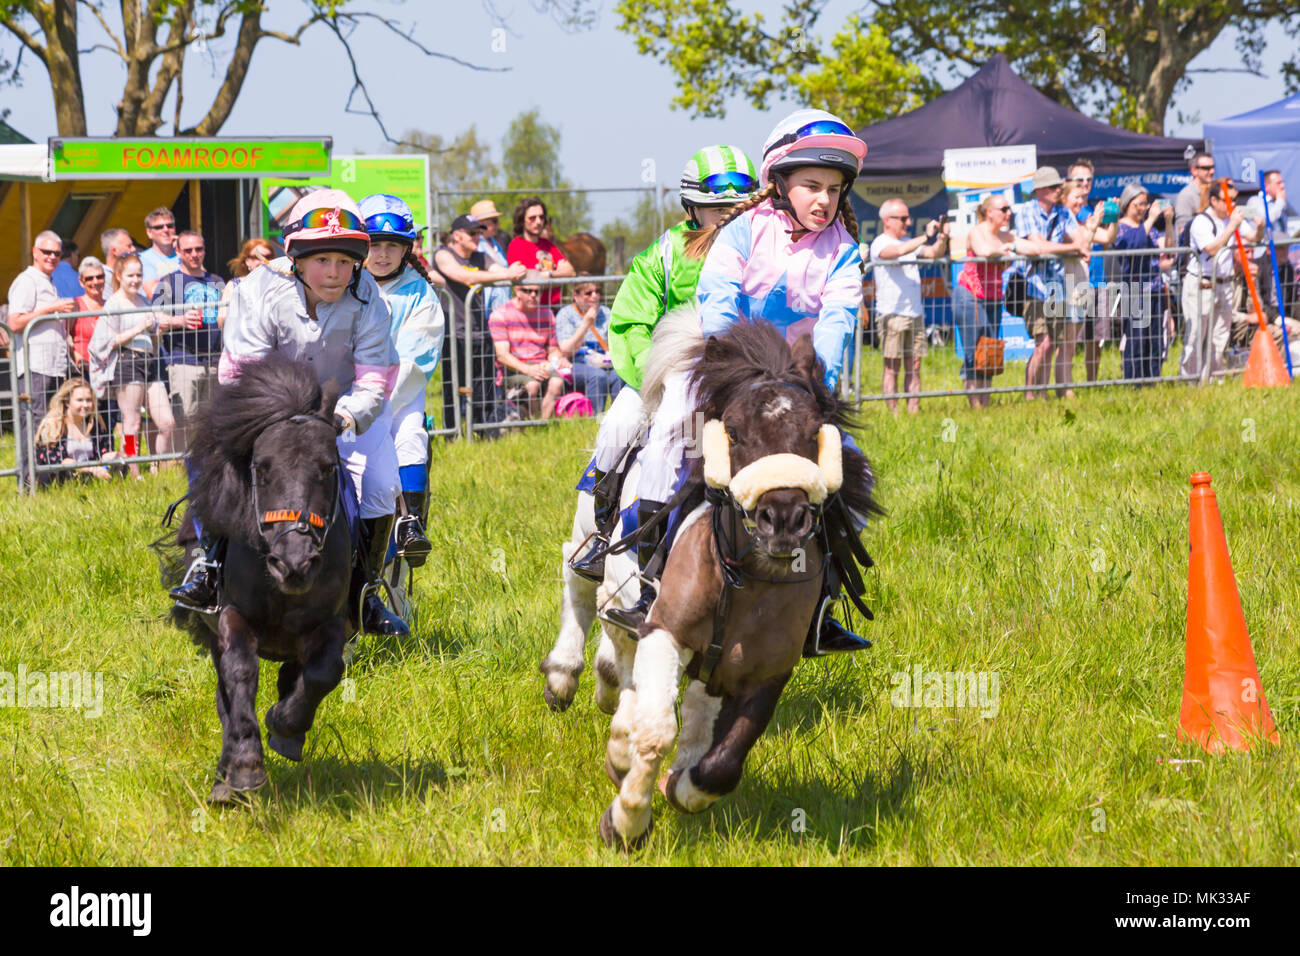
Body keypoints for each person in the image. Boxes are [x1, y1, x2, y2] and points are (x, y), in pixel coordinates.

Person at [606, 111, 872, 658]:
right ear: (779, 181)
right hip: (726, 365)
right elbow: (719, 301)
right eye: (811, 186)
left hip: (797, 381)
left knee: (849, 466)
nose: (823, 199)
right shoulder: (743, 230)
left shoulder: (845, 249)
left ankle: (822, 605)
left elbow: (838, 321)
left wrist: (811, 386)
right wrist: (742, 374)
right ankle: (647, 580)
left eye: (833, 189)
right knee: (670, 439)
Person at [169, 189, 409, 638]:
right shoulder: (255, 290)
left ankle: (366, 591)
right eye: (323, 261)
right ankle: (206, 566)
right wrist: (284, 423)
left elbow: (375, 378)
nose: (335, 273)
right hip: (264, 414)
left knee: (378, 486)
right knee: (204, 464)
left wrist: (342, 419)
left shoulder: (370, 297)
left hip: (346, 416)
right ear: (295, 257)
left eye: (345, 261)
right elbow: (244, 370)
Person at [568, 144, 759, 584]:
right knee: (618, 427)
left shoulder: (761, 252)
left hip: (739, 378)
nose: (728, 216)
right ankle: (602, 533)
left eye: (737, 207)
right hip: (664, 377)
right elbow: (632, 321)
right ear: (692, 208)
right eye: (717, 209)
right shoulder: (664, 254)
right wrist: (654, 378)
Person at [359, 192, 444, 565]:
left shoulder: (421, 294)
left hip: (397, 397)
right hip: (344, 394)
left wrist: (370, 407)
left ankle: (409, 523)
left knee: (411, 435)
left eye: (393, 246)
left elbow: (413, 362)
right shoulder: (343, 280)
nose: (382, 254)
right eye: (375, 245)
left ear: (406, 249)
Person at [432, 213, 525, 430]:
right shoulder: (443, 255)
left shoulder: (481, 257)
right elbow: (465, 277)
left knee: (484, 388)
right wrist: (508, 275)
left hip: (480, 332)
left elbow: (502, 272)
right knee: (453, 388)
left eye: (479, 232)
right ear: (457, 236)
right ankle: (452, 433)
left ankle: (483, 431)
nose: (477, 237)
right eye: (472, 233)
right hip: (454, 335)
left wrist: (515, 272)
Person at [89, 253, 177, 477]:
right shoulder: (114, 303)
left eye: (139, 275)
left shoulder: (144, 300)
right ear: (119, 276)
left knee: (167, 422)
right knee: (132, 423)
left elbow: (150, 330)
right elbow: (106, 341)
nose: (135, 280)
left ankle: (161, 468)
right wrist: (139, 327)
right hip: (127, 362)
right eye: (130, 275)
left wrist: (158, 328)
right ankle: (135, 473)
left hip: (150, 361)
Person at [1011, 167, 1090, 399]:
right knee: (1042, 343)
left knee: (1052, 343)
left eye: (1059, 186)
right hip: (1033, 286)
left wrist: (1076, 243)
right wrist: (1072, 247)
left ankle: (1042, 395)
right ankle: (1029, 394)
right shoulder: (1026, 211)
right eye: (1055, 187)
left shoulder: (1063, 213)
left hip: (1057, 289)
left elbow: (1082, 240)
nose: (1059, 190)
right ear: (1041, 190)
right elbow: (1038, 247)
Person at [8, 230, 77, 485]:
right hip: (34, 366)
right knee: (34, 423)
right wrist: (53, 307)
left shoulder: (49, 281)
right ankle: (28, 482)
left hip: (54, 365)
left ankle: (46, 479)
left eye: (56, 253)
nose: (51, 257)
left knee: (51, 423)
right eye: (46, 252)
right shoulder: (27, 280)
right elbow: (14, 322)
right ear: (35, 252)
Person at [869, 197, 949, 413]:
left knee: (914, 365)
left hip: (915, 313)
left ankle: (913, 412)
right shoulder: (880, 242)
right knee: (892, 366)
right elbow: (896, 252)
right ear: (888, 220)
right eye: (903, 218)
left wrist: (941, 237)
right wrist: (926, 236)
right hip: (891, 314)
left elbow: (934, 253)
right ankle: (893, 415)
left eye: (907, 217)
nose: (908, 222)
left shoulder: (910, 242)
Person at [151, 230, 224, 450]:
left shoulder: (217, 281)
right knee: (185, 418)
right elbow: (154, 318)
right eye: (188, 250)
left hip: (214, 362)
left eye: (198, 249)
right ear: (178, 252)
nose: (194, 254)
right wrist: (180, 320)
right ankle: (181, 466)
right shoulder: (169, 282)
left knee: (210, 420)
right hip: (183, 360)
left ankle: (205, 463)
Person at [1181, 180, 1259, 380]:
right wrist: (1232, 226)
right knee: (1196, 335)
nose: (1232, 204)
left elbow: (1253, 237)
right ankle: (1190, 381)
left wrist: (1260, 227)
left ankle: (1212, 378)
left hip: (1225, 283)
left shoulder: (1230, 219)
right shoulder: (1202, 221)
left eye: (1234, 200)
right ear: (1214, 200)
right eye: (1227, 200)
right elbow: (1212, 249)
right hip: (1201, 282)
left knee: (1219, 336)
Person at [952, 195, 1017, 409]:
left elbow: (1029, 247)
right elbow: (984, 251)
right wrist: (1007, 250)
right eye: (1004, 209)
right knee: (973, 351)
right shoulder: (977, 232)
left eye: (1009, 209)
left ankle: (986, 404)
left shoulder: (1005, 235)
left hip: (992, 298)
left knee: (989, 350)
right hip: (970, 295)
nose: (1009, 213)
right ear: (989, 212)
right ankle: (975, 406)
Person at [1108, 184, 1172, 381]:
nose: (1143, 208)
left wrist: (1168, 223)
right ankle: (1134, 380)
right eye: (1139, 204)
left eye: (1146, 204)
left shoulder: (1150, 228)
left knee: (1154, 338)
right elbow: (1134, 243)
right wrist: (1152, 218)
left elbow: (1168, 248)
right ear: (1128, 203)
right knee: (1136, 337)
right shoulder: (1121, 227)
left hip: (1154, 288)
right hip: (1134, 290)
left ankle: (1152, 378)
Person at [488, 279, 569, 419]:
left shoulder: (547, 314)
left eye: (537, 291)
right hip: (512, 369)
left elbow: (553, 349)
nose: (533, 295)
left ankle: (544, 423)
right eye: (528, 291)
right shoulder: (500, 314)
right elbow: (502, 356)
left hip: (541, 365)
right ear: (517, 290)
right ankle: (531, 423)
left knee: (557, 382)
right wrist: (528, 370)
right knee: (532, 385)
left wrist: (555, 361)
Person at [33, 378, 122, 486]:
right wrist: (92, 469)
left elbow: (104, 453)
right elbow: (60, 461)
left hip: (89, 474)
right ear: (67, 402)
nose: (85, 405)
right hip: (60, 477)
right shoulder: (53, 426)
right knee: (69, 470)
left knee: (119, 461)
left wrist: (118, 455)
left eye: (88, 400)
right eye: (80, 400)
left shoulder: (95, 424)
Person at [555, 278, 621, 412]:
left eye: (597, 291)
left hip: (605, 359)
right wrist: (586, 323)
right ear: (576, 295)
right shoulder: (566, 314)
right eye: (588, 293)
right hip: (577, 361)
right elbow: (567, 350)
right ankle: (596, 420)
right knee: (598, 376)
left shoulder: (606, 312)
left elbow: (616, 341)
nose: (594, 296)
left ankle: (619, 419)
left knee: (619, 376)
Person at [507, 197, 575, 309]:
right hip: (532, 310)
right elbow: (529, 281)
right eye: (532, 218)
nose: (538, 222)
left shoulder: (548, 245)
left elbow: (570, 271)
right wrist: (558, 278)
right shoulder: (516, 246)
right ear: (522, 221)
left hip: (555, 308)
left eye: (541, 217)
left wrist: (548, 274)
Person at [1246, 170, 1294, 318]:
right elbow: (1267, 219)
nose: (1283, 186)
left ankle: (1286, 320)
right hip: (1262, 259)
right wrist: (1280, 201)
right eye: (1278, 183)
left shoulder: (1279, 204)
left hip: (1280, 260)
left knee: (1285, 292)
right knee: (1267, 296)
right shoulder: (1254, 202)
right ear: (1267, 186)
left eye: (1283, 182)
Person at [217, 238, 276, 330]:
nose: (263, 261)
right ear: (247, 261)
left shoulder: (279, 283)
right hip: (243, 340)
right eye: (257, 257)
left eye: (267, 257)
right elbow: (222, 322)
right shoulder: (235, 285)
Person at [471, 199, 512, 317]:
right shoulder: (475, 245)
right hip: (486, 308)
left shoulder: (495, 243)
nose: (497, 225)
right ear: (481, 224)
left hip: (502, 306)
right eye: (494, 221)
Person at [70, 256, 108, 375]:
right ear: (81, 282)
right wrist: (78, 359)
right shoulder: (75, 306)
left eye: (99, 277)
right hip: (84, 371)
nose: (95, 282)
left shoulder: (111, 305)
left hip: (110, 370)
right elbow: (65, 337)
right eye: (89, 278)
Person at [1174, 152, 1217, 246]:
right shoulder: (1186, 195)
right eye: (1206, 168)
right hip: (1195, 254)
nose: (1212, 171)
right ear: (1194, 171)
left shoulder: (1214, 192)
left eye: (1213, 167)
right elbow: (1182, 231)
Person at [138, 207, 180, 296]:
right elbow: (153, 294)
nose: (165, 230)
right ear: (149, 233)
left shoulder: (187, 254)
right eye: (159, 227)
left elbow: (204, 281)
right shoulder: (143, 259)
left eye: (169, 226)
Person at [99, 227, 136, 295]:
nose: (134, 249)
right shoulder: (100, 278)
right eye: (129, 246)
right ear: (114, 251)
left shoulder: (136, 273)